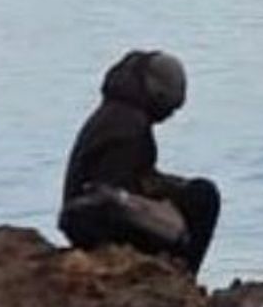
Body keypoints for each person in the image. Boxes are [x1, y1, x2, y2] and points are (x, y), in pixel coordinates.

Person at [60, 49, 220, 276]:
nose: (169, 115)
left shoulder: (116, 113)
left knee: (191, 194)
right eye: (170, 108)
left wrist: (164, 185)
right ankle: (183, 274)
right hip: (97, 220)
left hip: (88, 212)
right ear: (157, 95)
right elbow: (116, 189)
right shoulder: (129, 127)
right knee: (203, 197)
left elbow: (133, 176)